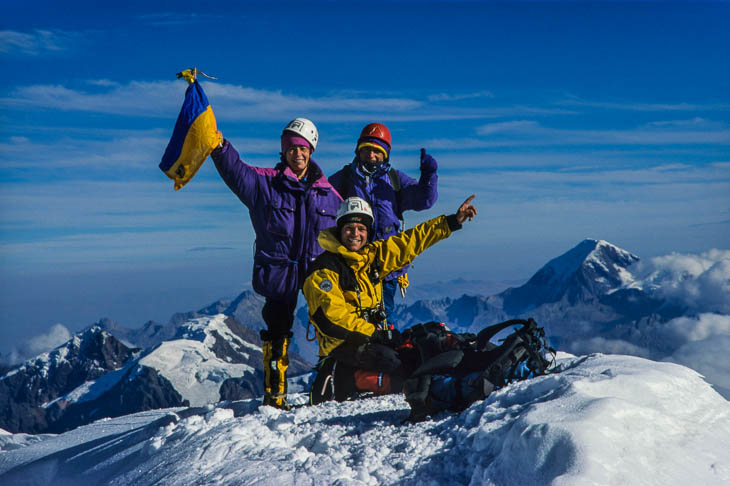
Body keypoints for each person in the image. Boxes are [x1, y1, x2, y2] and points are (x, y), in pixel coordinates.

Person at [211, 118, 342, 410]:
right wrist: (220, 147)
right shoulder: (265, 183)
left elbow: (349, 232)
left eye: (303, 148)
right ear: (283, 152)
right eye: (292, 148)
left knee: (328, 328)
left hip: (316, 274)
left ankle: (328, 391)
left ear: (312, 151)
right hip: (280, 273)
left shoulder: (329, 194)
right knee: (277, 331)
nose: (298, 153)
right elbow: (236, 172)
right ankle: (275, 395)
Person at [302, 195, 477, 405]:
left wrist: (451, 222)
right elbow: (330, 319)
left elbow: (410, 242)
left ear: (368, 232)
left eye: (361, 228)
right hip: (343, 346)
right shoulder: (325, 269)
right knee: (401, 370)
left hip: (373, 339)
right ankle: (343, 377)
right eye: (349, 228)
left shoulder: (370, 258)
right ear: (340, 230)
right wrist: (376, 334)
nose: (355, 234)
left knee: (419, 352)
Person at [328, 123, 438, 318]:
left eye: (376, 151)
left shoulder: (395, 179)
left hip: (387, 269)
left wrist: (428, 176)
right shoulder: (343, 179)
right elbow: (320, 206)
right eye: (366, 150)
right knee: (353, 323)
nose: (371, 155)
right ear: (358, 151)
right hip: (352, 269)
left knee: (384, 325)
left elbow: (425, 200)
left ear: (385, 154)